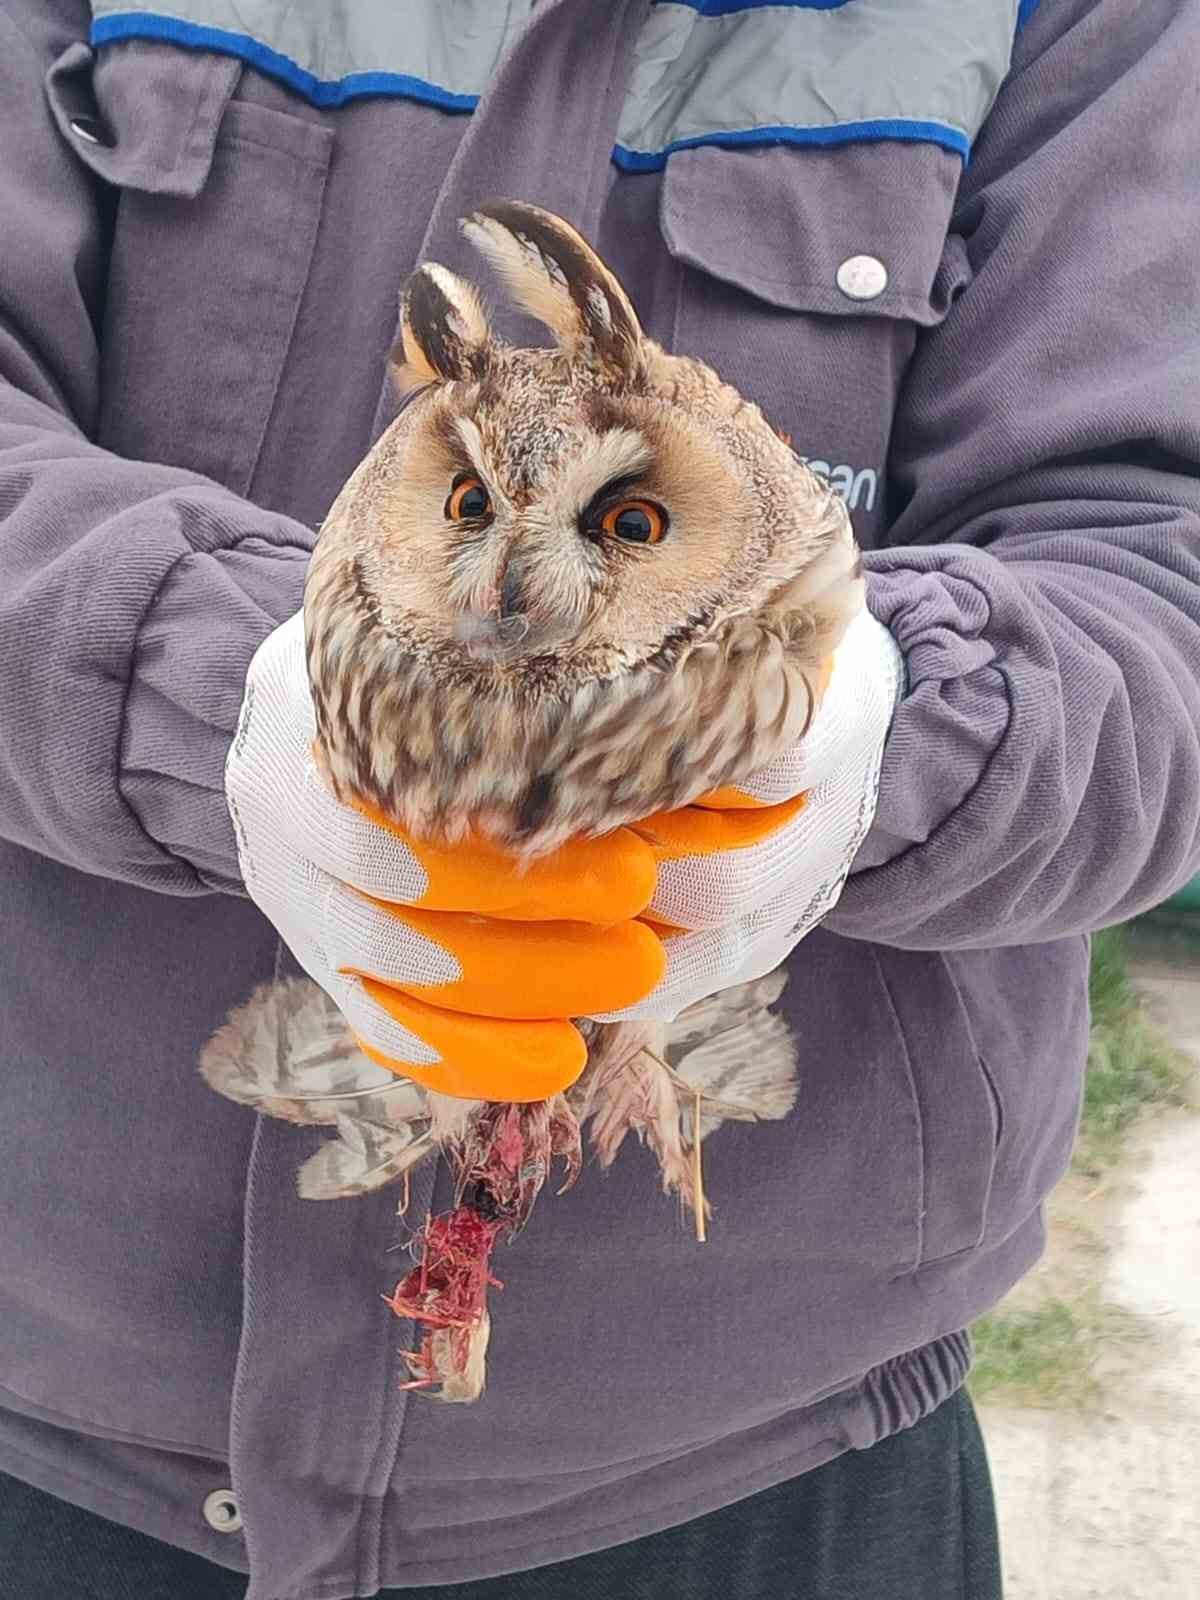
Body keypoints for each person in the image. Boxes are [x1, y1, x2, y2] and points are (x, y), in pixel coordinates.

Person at [1, 1, 1198, 1596]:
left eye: (632, 524)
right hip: (54, 1411)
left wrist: (862, 739)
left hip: (752, 1456)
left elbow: (1150, 563)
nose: (524, 588)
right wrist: (231, 690)